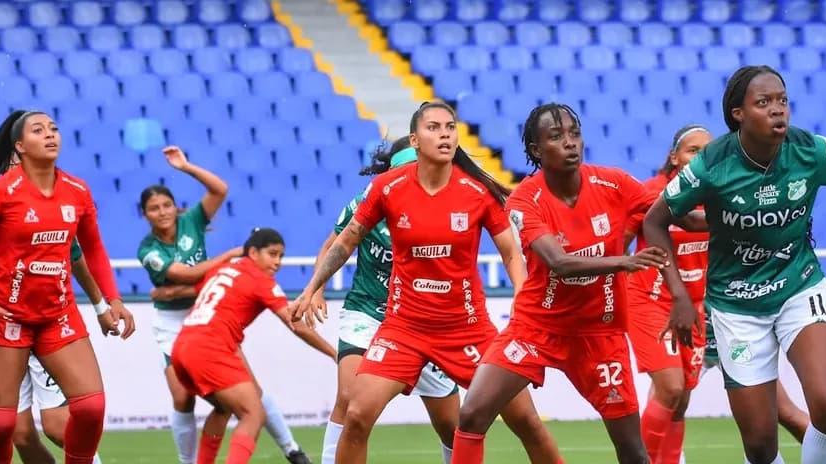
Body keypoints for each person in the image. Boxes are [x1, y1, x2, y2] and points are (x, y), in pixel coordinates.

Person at [642, 64, 826, 464]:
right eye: (763, 102)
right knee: (761, 445)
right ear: (738, 114)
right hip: (736, 305)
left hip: (798, 286)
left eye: (782, 100)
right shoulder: (712, 164)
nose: (777, 109)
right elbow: (655, 221)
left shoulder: (810, 150)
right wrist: (679, 295)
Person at [291, 101, 562, 464]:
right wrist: (312, 288)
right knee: (356, 413)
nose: (445, 134)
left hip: (467, 329)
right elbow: (346, 241)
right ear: (416, 140)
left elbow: (512, 253)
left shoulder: (476, 193)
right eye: (434, 127)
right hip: (403, 329)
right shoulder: (387, 188)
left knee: (526, 421)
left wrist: (521, 300)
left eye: (450, 127)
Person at [450, 103, 676, 464]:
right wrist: (624, 261)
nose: (570, 143)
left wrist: (724, 215)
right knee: (472, 413)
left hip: (599, 335)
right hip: (536, 328)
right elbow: (560, 263)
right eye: (556, 137)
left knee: (632, 449)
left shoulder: (614, 183)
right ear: (537, 150)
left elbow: (672, 213)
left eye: (574, 133)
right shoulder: (525, 199)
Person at [0, 110, 132, 463]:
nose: (50, 134)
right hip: (6, 317)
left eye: (54, 128)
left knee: (91, 407)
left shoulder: (77, 191)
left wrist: (112, 300)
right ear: (20, 146)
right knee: (3, 426)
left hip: (56, 316)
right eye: (38, 130)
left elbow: (92, 249)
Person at [137, 148, 324, 464]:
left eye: (167, 205)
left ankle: (292, 449)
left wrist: (186, 166)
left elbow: (220, 189)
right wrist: (238, 251)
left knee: (250, 390)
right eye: (154, 208)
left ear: (175, 207)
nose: (163, 212)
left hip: (208, 316)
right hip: (173, 324)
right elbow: (192, 272)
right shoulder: (148, 249)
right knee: (183, 398)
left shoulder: (191, 221)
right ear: (145, 214)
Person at [311, 137, 460, 464]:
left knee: (452, 425)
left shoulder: (444, 208)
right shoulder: (368, 203)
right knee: (350, 400)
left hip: (423, 323)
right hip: (368, 313)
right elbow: (333, 245)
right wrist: (316, 290)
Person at [170, 227, 301, 464]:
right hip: (211, 347)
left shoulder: (222, 270)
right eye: (272, 254)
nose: (277, 262)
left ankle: (292, 450)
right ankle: (292, 450)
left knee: (225, 407)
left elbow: (196, 289)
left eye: (280, 256)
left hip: (182, 344)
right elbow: (294, 323)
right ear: (252, 252)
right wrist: (333, 352)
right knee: (253, 414)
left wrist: (165, 293)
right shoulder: (259, 279)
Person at [624, 124, 712, 464]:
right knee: (671, 386)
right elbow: (620, 245)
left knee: (682, 397)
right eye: (692, 150)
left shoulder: (721, 194)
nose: (700, 157)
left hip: (696, 305)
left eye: (707, 151)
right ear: (674, 156)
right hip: (650, 299)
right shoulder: (651, 193)